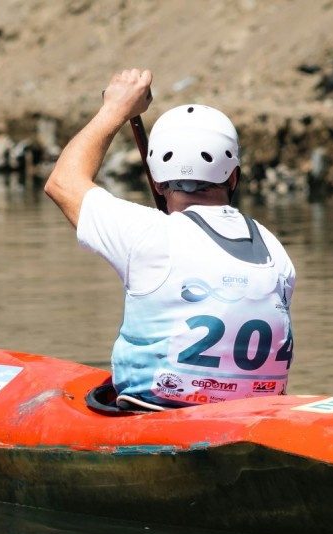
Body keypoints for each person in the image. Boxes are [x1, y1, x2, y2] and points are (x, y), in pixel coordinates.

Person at [44, 68, 295, 411]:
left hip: (157, 414)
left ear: (157, 180)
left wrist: (116, 108)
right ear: (233, 177)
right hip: (257, 416)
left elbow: (62, 182)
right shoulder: (273, 249)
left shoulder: (147, 234)